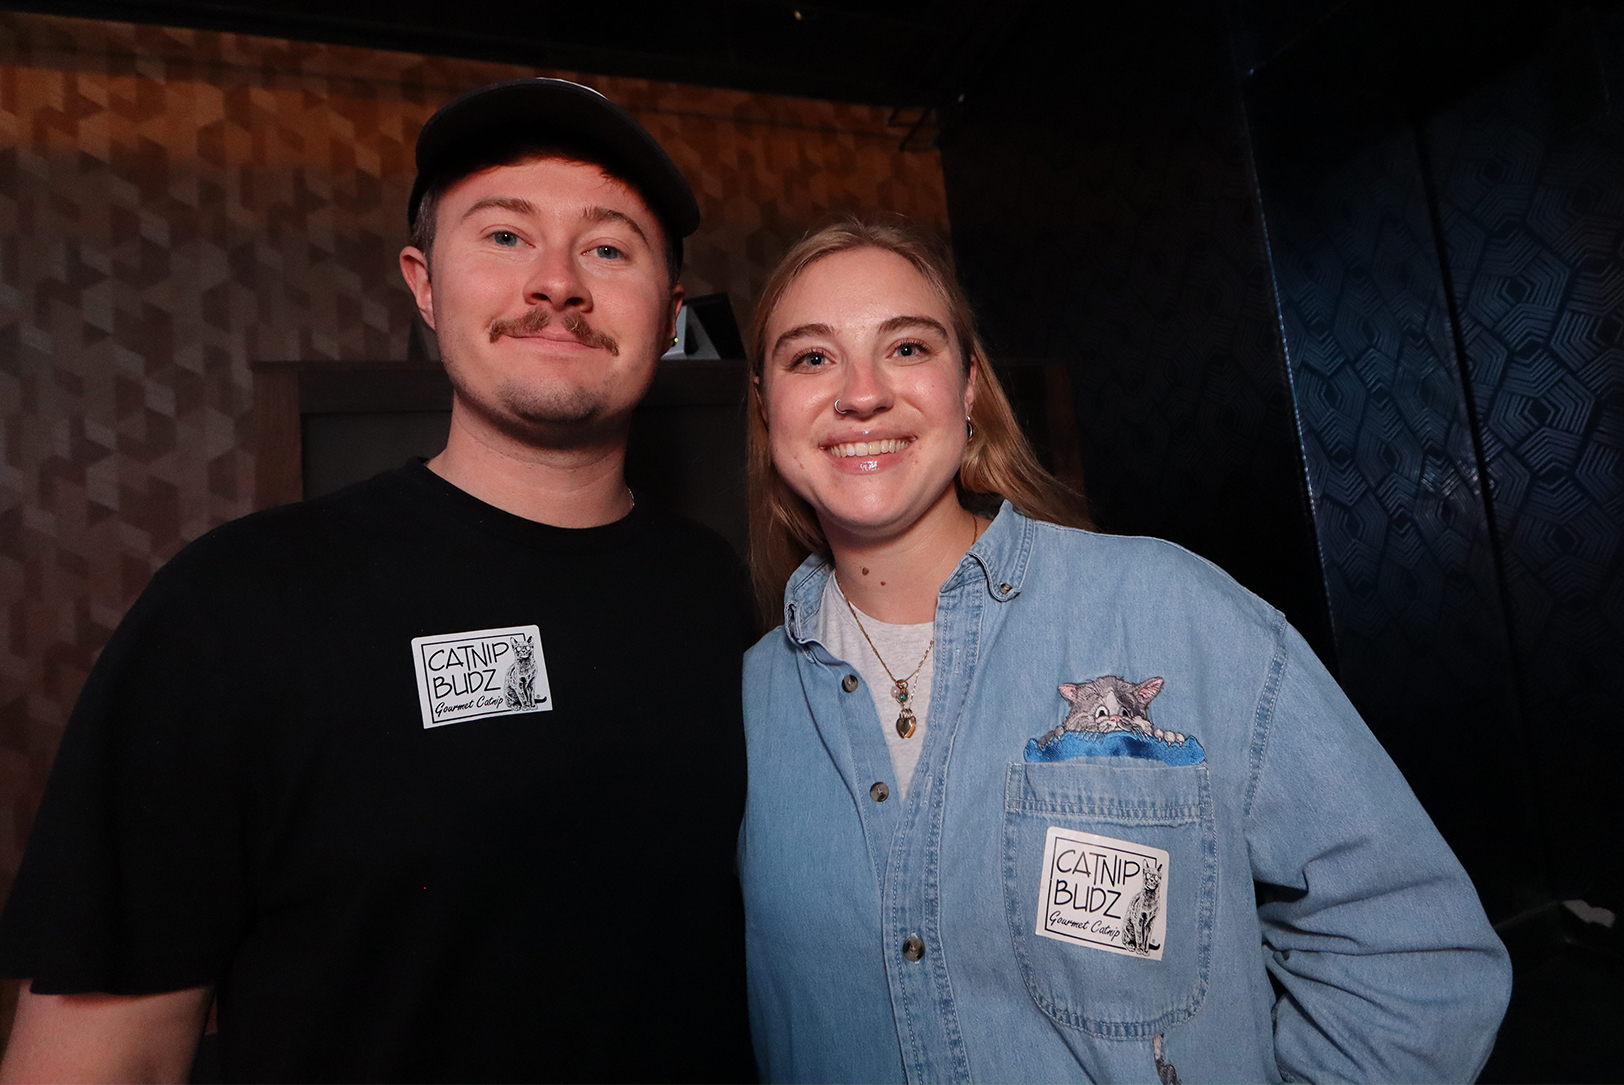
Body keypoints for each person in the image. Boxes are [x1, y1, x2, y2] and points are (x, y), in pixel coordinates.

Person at [0, 79, 756, 1083]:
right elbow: (102, 1057)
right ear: (424, 283)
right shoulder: (238, 605)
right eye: (503, 236)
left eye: (609, 247)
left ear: (667, 311)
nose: (557, 283)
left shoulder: (716, 591)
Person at [737, 216, 1512, 1084]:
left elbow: (1414, 953)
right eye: (811, 357)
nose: (862, 392)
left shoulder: (1173, 609)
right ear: (768, 409)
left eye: (908, 347)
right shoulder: (747, 701)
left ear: (968, 387)